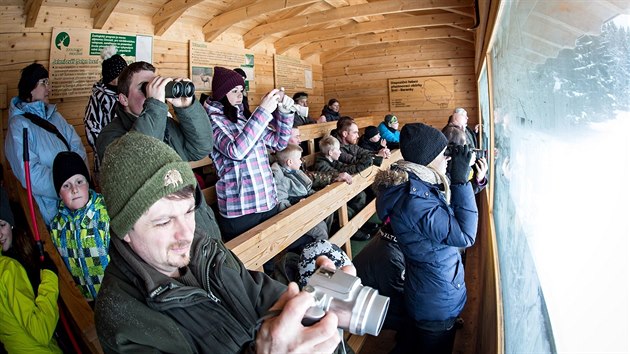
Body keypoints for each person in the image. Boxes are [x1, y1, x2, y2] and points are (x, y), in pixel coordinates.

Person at [94, 131, 342, 353]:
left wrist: (316, 303)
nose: (186, 234)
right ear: (124, 229)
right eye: (163, 222)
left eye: (189, 211)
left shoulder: (207, 249)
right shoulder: (122, 320)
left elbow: (258, 296)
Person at [374, 123, 478, 354]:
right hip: (435, 298)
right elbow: (465, 234)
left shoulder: (419, 184)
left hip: (430, 289)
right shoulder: (414, 201)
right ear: (428, 159)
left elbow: (446, 212)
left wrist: (470, 180)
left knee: (416, 341)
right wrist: (461, 182)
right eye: (443, 154)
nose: (447, 159)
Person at [95, 61, 219, 237]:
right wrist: (155, 106)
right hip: (161, 238)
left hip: (198, 223)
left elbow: (201, 147)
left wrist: (186, 107)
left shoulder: (165, 122)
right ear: (123, 99)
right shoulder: (110, 136)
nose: (152, 93)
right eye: (144, 88)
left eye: (155, 85)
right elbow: (140, 165)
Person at [206, 67, 294, 241]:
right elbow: (236, 151)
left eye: (241, 90)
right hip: (240, 209)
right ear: (222, 93)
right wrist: (262, 112)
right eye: (234, 91)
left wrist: (284, 113)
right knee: (247, 265)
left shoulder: (244, 117)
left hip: (266, 200)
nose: (240, 95)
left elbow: (278, 143)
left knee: (269, 259)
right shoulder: (212, 120)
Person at [4, 63, 88, 225]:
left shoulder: (55, 117)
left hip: (78, 200)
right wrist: (67, 188)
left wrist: (80, 183)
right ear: (29, 88)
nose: (48, 89)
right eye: (43, 83)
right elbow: (30, 174)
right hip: (52, 212)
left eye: (48, 83)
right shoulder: (19, 126)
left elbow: (77, 146)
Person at [0, 187, 62, 353]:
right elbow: (41, 329)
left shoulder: (20, 253)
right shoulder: (8, 269)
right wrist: (50, 277)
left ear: (11, 224)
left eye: (2, 224)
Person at [49, 151, 110, 302]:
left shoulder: (104, 212)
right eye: (66, 185)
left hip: (114, 294)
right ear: (59, 192)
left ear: (88, 182)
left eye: (79, 182)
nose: (74, 189)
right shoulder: (57, 226)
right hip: (85, 300)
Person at [271, 144, 330, 251]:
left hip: (305, 207)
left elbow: (307, 190)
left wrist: (320, 194)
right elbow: (282, 203)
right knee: (321, 231)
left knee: (328, 209)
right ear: (289, 162)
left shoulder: (295, 171)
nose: (301, 161)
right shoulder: (278, 178)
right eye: (299, 159)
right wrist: (297, 205)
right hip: (295, 214)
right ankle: (320, 257)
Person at [313, 136, 371, 241]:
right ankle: (353, 230)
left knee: (361, 195)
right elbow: (336, 175)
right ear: (330, 152)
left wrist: (362, 164)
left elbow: (345, 168)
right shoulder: (321, 164)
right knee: (348, 211)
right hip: (329, 199)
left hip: (338, 193)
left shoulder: (333, 160)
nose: (340, 152)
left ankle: (360, 223)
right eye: (338, 150)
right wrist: (361, 166)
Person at [83, 45, 128, 181]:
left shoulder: (124, 93)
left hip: (128, 160)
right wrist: (113, 151)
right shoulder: (98, 98)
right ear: (113, 78)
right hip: (108, 163)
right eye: (123, 74)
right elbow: (91, 128)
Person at [352, 220, 404, 331]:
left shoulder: (386, 236)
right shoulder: (391, 256)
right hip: (363, 310)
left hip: (369, 295)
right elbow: (395, 297)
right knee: (419, 319)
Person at [442, 125, 488, 194]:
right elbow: (461, 194)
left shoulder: (445, 162)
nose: (467, 150)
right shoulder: (445, 170)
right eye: (464, 146)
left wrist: (479, 179)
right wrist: (466, 166)